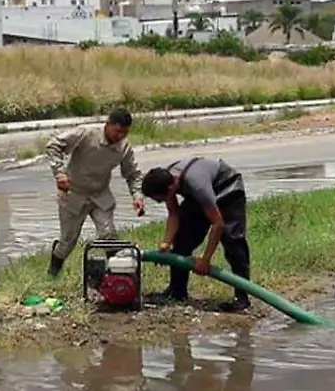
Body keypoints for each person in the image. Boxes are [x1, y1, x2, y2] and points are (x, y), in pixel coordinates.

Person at [141, 156, 250, 312]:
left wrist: (205, 260)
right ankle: (177, 291)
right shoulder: (166, 178)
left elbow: (217, 224)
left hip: (227, 188)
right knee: (182, 238)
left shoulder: (197, 185)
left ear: (172, 188)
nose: (161, 202)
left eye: (161, 199)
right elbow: (174, 214)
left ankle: (242, 299)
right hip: (201, 192)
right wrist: (167, 242)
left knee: (234, 242)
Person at [45, 107, 144, 277]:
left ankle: (116, 275)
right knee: (68, 242)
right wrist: (59, 173)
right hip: (73, 193)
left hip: (100, 195)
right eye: (117, 131)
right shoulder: (86, 133)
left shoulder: (124, 147)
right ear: (108, 125)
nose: (120, 136)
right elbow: (54, 145)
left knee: (108, 235)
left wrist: (137, 196)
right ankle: (53, 270)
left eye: (125, 133)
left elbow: (133, 174)